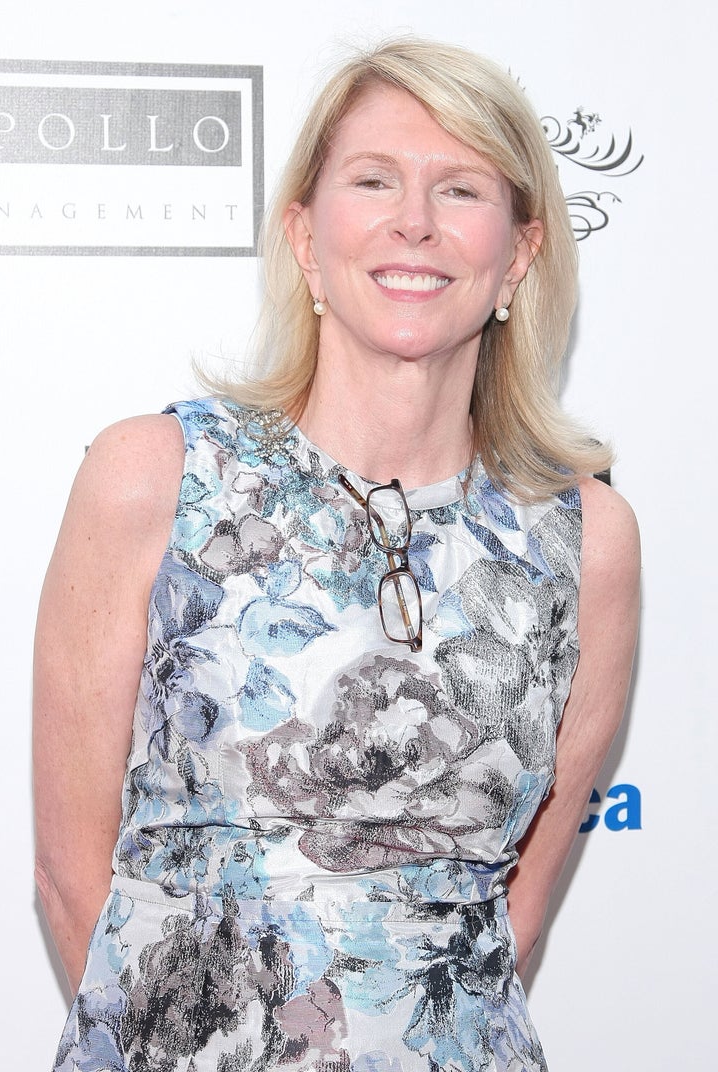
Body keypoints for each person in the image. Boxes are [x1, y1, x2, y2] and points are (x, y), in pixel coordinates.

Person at [34, 37, 640, 1072]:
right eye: (374, 181)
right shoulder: (153, 477)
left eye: (460, 188)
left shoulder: (585, 539)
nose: (416, 222)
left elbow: (515, 922)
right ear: (307, 239)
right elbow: (66, 874)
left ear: (520, 255)